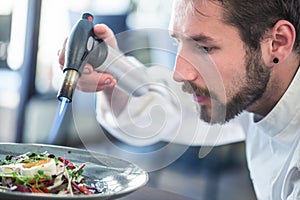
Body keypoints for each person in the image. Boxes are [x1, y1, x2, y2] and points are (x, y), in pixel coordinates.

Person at [58, 0, 300, 199]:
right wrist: (109, 63)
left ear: (277, 42)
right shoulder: (253, 94)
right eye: (178, 43)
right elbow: (161, 109)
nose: (179, 72)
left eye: (204, 48)